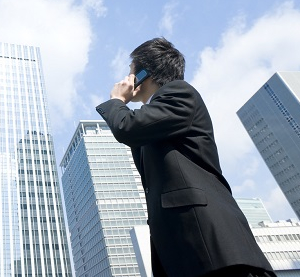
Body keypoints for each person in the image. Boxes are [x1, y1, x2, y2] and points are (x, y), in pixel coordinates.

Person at [96, 37, 275, 277]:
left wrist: (117, 100)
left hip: (212, 247)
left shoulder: (179, 92)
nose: (126, 78)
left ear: (144, 72)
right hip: (187, 250)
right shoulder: (157, 113)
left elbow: (128, 128)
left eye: (130, 71)